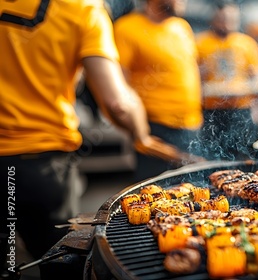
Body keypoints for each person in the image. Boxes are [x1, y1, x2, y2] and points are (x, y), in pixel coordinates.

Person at [0, 0, 195, 266]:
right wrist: (142, 135)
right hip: (41, 161)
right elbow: (119, 102)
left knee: (4, 259)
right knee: (59, 262)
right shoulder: (82, 8)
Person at [113, 0, 205, 181]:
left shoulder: (182, 27)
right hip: (155, 129)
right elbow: (119, 84)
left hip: (191, 125)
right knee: (156, 196)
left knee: (192, 194)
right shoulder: (127, 28)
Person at [196, 0, 258, 161]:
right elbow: (191, 77)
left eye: (231, 18)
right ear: (213, 19)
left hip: (241, 109)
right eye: (222, 18)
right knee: (214, 155)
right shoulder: (200, 42)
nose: (227, 23)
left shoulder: (246, 43)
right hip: (212, 112)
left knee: (245, 154)